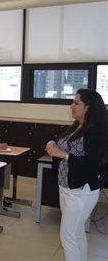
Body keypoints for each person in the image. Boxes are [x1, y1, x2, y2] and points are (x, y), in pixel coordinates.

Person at [46, 89, 106, 261]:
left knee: (68, 236)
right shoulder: (78, 126)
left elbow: (90, 164)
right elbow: (64, 147)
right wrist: (52, 145)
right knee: (77, 233)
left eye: (76, 103)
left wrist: (62, 154)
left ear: (89, 107)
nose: (71, 106)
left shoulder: (94, 131)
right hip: (67, 188)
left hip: (81, 191)